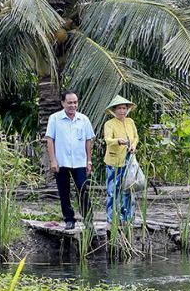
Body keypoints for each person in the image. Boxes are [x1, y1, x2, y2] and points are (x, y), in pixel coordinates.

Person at [45, 90, 95, 230]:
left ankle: (88, 219)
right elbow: (50, 140)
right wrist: (53, 160)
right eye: (69, 102)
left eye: (75, 102)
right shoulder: (54, 118)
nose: (73, 105)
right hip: (61, 161)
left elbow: (88, 141)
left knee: (82, 189)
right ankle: (69, 219)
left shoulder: (83, 119)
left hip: (80, 161)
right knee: (64, 191)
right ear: (63, 103)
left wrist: (89, 161)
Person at [103, 95, 139, 227]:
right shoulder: (109, 124)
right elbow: (107, 140)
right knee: (113, 191)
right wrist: (118, 141)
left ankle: (127, 218)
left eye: (124, 108)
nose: (122, 111)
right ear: (114, 110)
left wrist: (133, 146)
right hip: (114, 161)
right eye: (119, 108)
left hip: (129, 160)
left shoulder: (130, 122)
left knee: (128, 190)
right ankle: (111, 219)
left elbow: (135, 137)